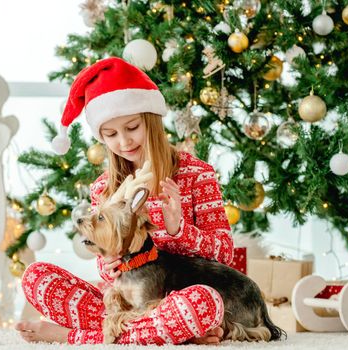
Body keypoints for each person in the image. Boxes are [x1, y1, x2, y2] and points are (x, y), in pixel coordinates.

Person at [16, 57, 234, 345]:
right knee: (36, 276)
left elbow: (225, 256)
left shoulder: (196, 174)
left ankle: (76, 337)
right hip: (131, 302)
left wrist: (177, 230)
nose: (124, 142)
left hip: (182, 295)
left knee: (202, 302)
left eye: (132, 127)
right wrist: (109, 265)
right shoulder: (104, 188)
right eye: (111, 134)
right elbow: (108, 271)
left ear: (151, 121)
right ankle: (165, 333)